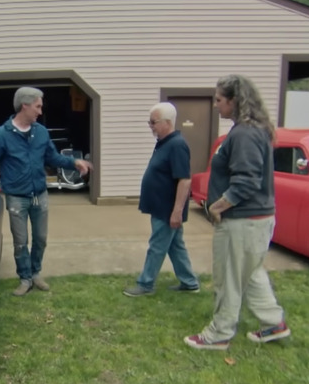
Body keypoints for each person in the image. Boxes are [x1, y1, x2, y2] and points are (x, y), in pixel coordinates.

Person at [184, 74, 290, 351]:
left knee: (228, 277)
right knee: (251, 273)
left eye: (219, 100)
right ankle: (273, 323)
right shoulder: (253, 130)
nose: (216, 105)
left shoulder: (244, 134)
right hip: (255, 221)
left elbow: (246, 181)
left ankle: (218, 334)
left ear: (234, 100)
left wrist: (218, 206)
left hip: (243, 221)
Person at [0, 87, 93, 296]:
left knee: (41, 238)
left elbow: (52, 158)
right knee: (20, 242)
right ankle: (25, 278)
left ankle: (36, 273)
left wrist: (74, 162)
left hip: (40, 195)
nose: (40, 111)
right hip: (17, 198)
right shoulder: (2, 135)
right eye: (38, 106)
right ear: (24, 105)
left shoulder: (41, 132)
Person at [123, 102, 200, 297]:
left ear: (167, 122)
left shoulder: (177, 145)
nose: (150, 125)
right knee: (175, 246)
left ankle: (146, 284)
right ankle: (189, 283)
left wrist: (176, 211)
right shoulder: (164, 143)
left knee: (157, 247)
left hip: (167, 209)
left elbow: (184, 180)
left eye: (153, 122)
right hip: (161, 207)